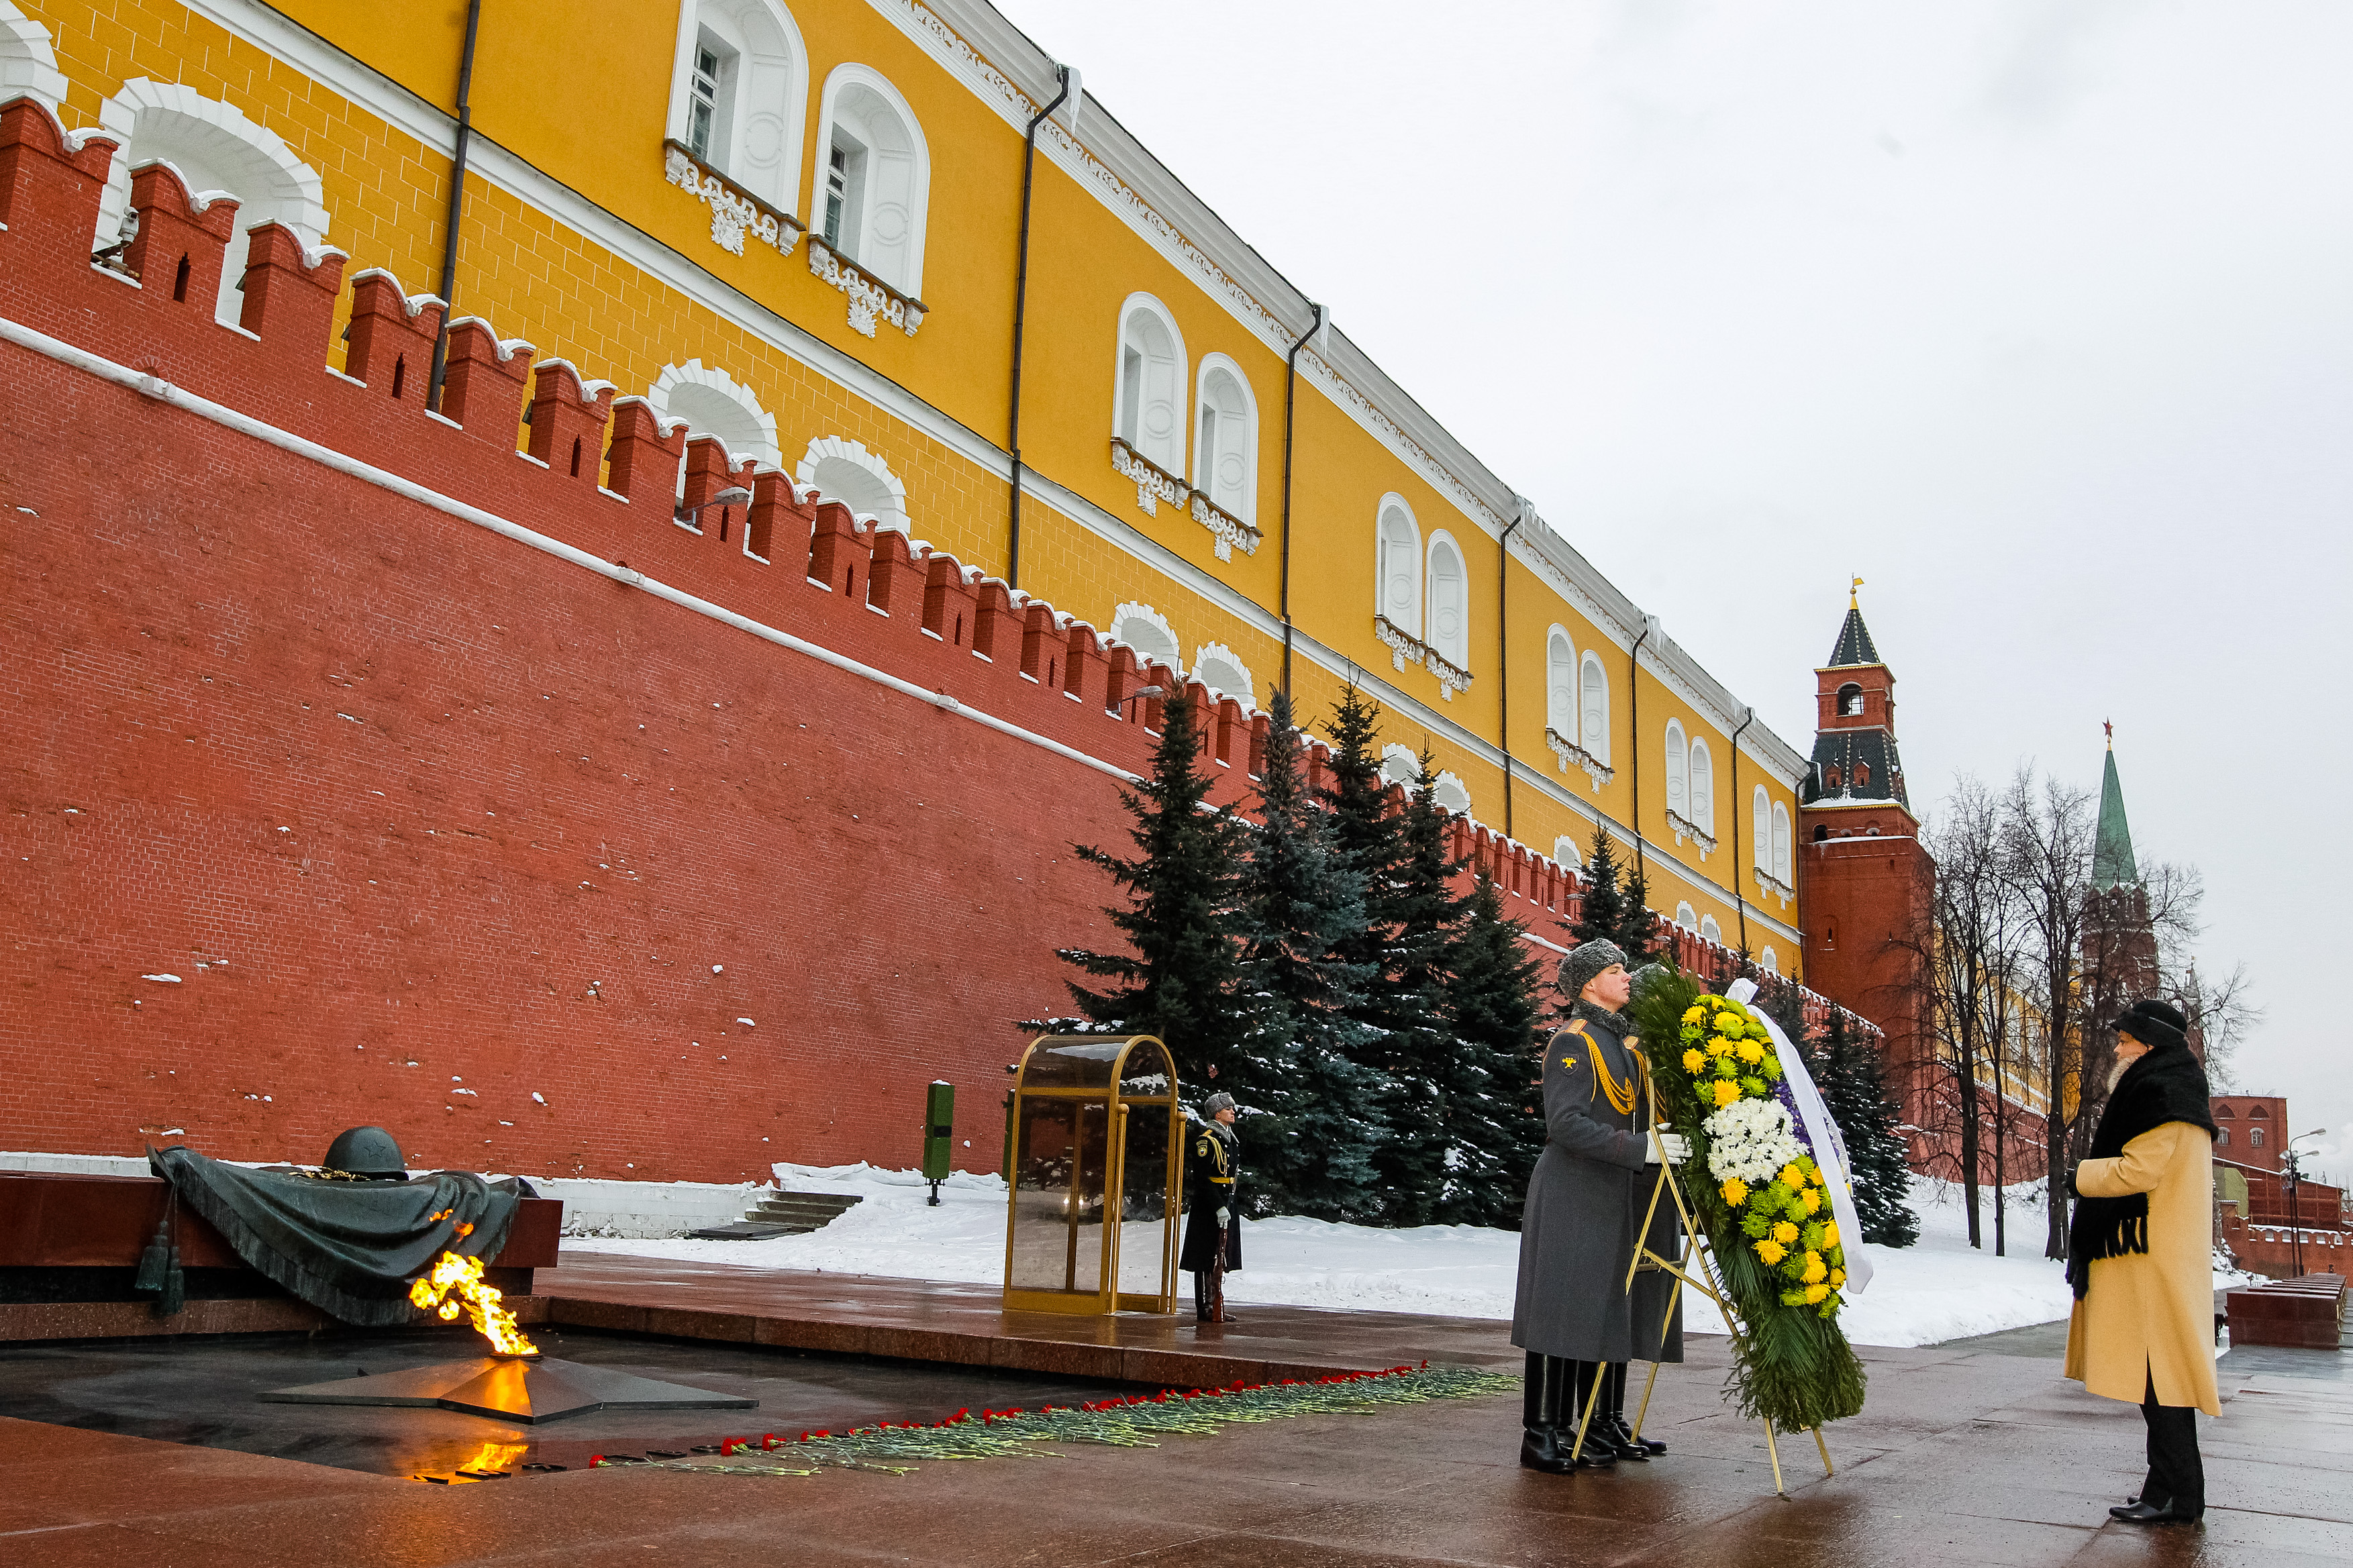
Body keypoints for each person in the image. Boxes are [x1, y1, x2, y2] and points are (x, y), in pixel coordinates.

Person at [1511, 939, 1689, 1473]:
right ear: (1590, 983)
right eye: (1616, 970)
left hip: (1608, 1190)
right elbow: (1564, 1125)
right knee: (1560, 1311)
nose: (1627, 977)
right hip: (1574, 1189)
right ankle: (1541, 1433)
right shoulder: (1574, 1042)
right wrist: (1641, 1149)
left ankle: (1592, 1422)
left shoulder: (1616, 1041)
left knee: (1602, 1306)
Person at [2064, 998, 2219, 1526]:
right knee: (2159, 1385)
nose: (2118, 1046)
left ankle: (2181, 1496)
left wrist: (2080, 1177)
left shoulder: (2164, 1096)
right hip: (2152, 1254)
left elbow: (2138, 1172)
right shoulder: (2168, 1091)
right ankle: (2165, 1490)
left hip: (2151, 1259)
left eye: (2126, 1039)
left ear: (2149, 1045)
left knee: (2162, 1386)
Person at [1180, 1091, 1242, 1324]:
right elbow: (1203, 1179)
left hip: (1227, 1202)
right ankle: (1205, 1306)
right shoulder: (1206, 1140)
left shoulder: (1229, 1138)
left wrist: (1228, 1205)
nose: (1233, 1112)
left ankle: (1217, 1302)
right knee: (1205, 1258)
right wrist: (1218, 1206)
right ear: (1217, 1113)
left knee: (1220, 1256)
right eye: (1228, 1109)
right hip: (1209, 1207)